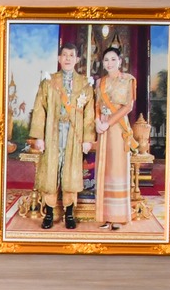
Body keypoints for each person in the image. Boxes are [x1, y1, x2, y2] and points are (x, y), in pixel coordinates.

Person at [28, 42, 96, 231]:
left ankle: (69, 214)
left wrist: (88, 139)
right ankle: (49, 214)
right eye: (64, 55)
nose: (67, 58)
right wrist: (39, 136)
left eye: (71, 55)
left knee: (71, 173)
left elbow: (89, 113)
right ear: (59, 58)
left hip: (74, 135)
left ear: (77, 59)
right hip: (52, 133)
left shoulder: (85, 85)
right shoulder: (48, 82)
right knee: (51, 172)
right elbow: (40, 109)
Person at [94, 45, 137, 230]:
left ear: (120, 61)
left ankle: (118, 217)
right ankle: (105, 217)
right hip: (103, 129)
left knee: (117, 169)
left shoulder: (128, 80)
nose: (109, 63)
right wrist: (97, 121)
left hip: (118, 128)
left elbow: (128, 107)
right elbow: (96, 104)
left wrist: (108, 122)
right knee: (104, 170)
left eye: (113, 59)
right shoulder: (100, 82)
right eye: (106, 60)